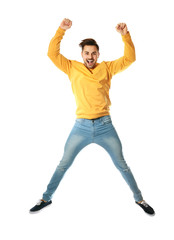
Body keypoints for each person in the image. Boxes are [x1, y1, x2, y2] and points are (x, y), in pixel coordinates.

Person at [30, 18, 155, 215]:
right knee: (64, 164)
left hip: (105, 125)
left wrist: (125, 36)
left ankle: (139, 199)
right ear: (82, 55)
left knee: (122, 164)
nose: (90, 56)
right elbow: (51, 54)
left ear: (98, 54)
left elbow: (130, 59)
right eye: (87, 53)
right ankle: (46, 198)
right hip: (80, 127)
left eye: (93, 53)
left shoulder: (107, 67)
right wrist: (61, 30)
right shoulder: (72, 67)